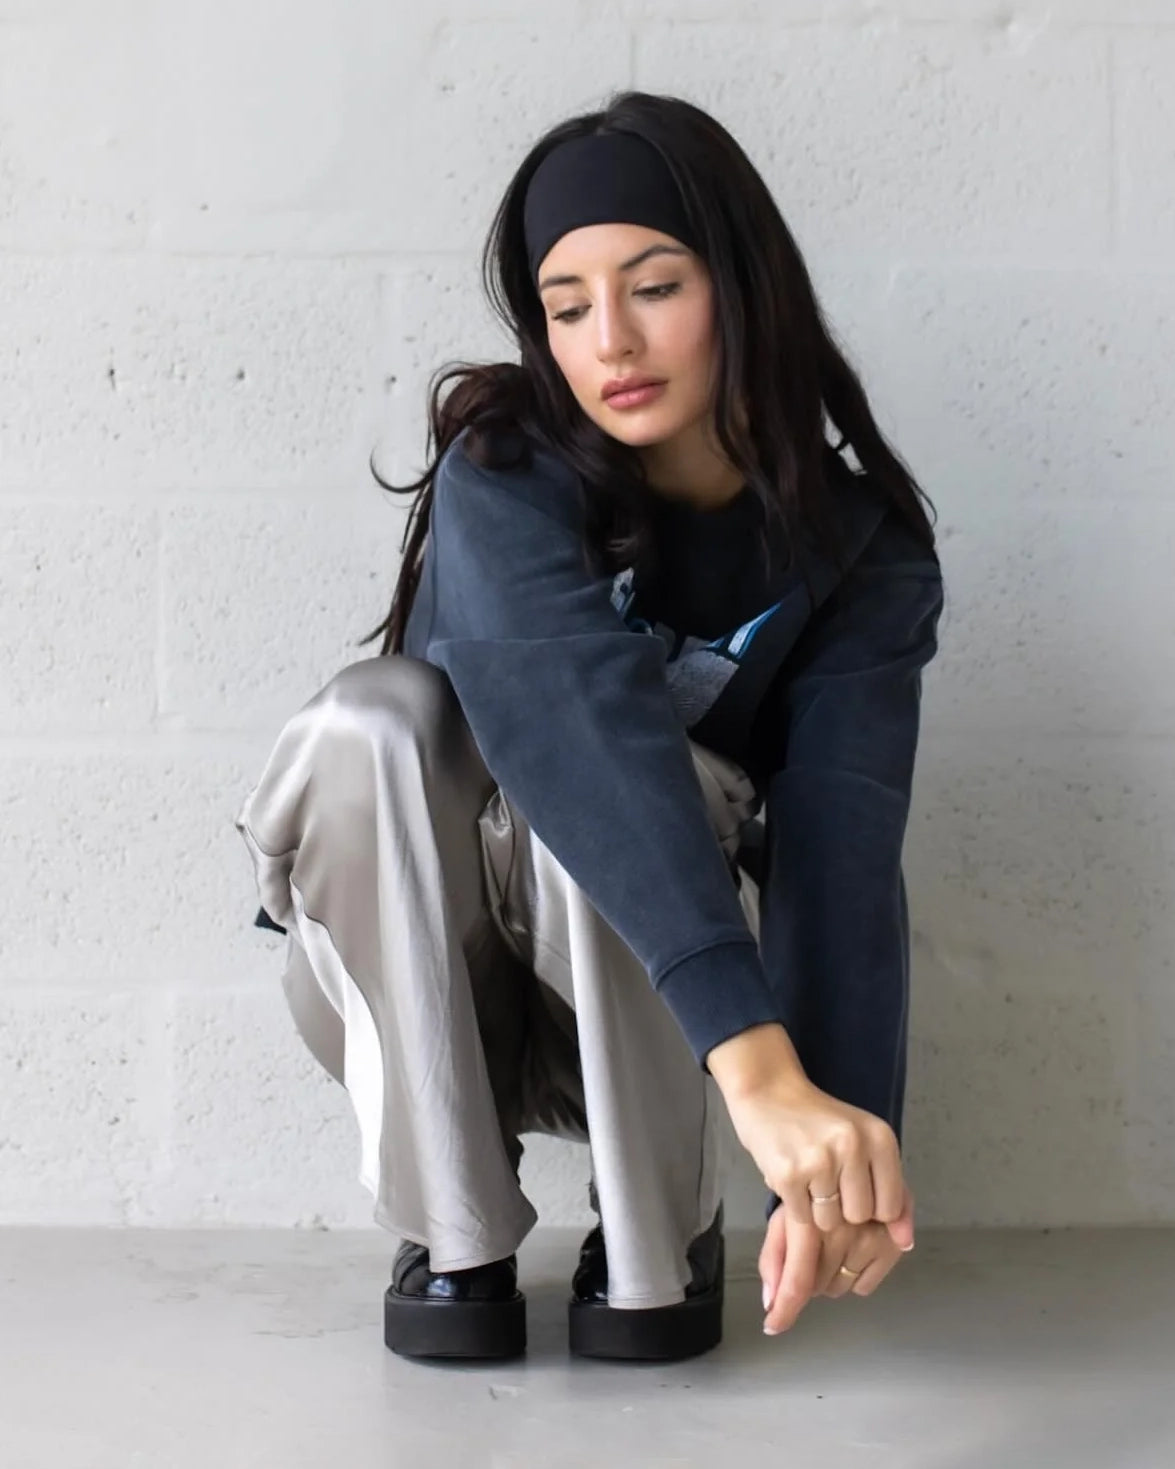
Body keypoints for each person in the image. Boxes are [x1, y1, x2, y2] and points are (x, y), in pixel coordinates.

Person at [234, 89, 945, 1366]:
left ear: (741, 286)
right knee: (380, 718)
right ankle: (452, 1236)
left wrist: (833, 1141)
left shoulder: (861, 553)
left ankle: (654, 1236)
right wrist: (762, 1073)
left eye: (654, 287)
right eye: (566, 308)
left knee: (656, 780)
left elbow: (840, 845)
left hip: (654, 1023)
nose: (609, 339)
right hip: (422, 993)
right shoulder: (505, 470)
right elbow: (569, 709)